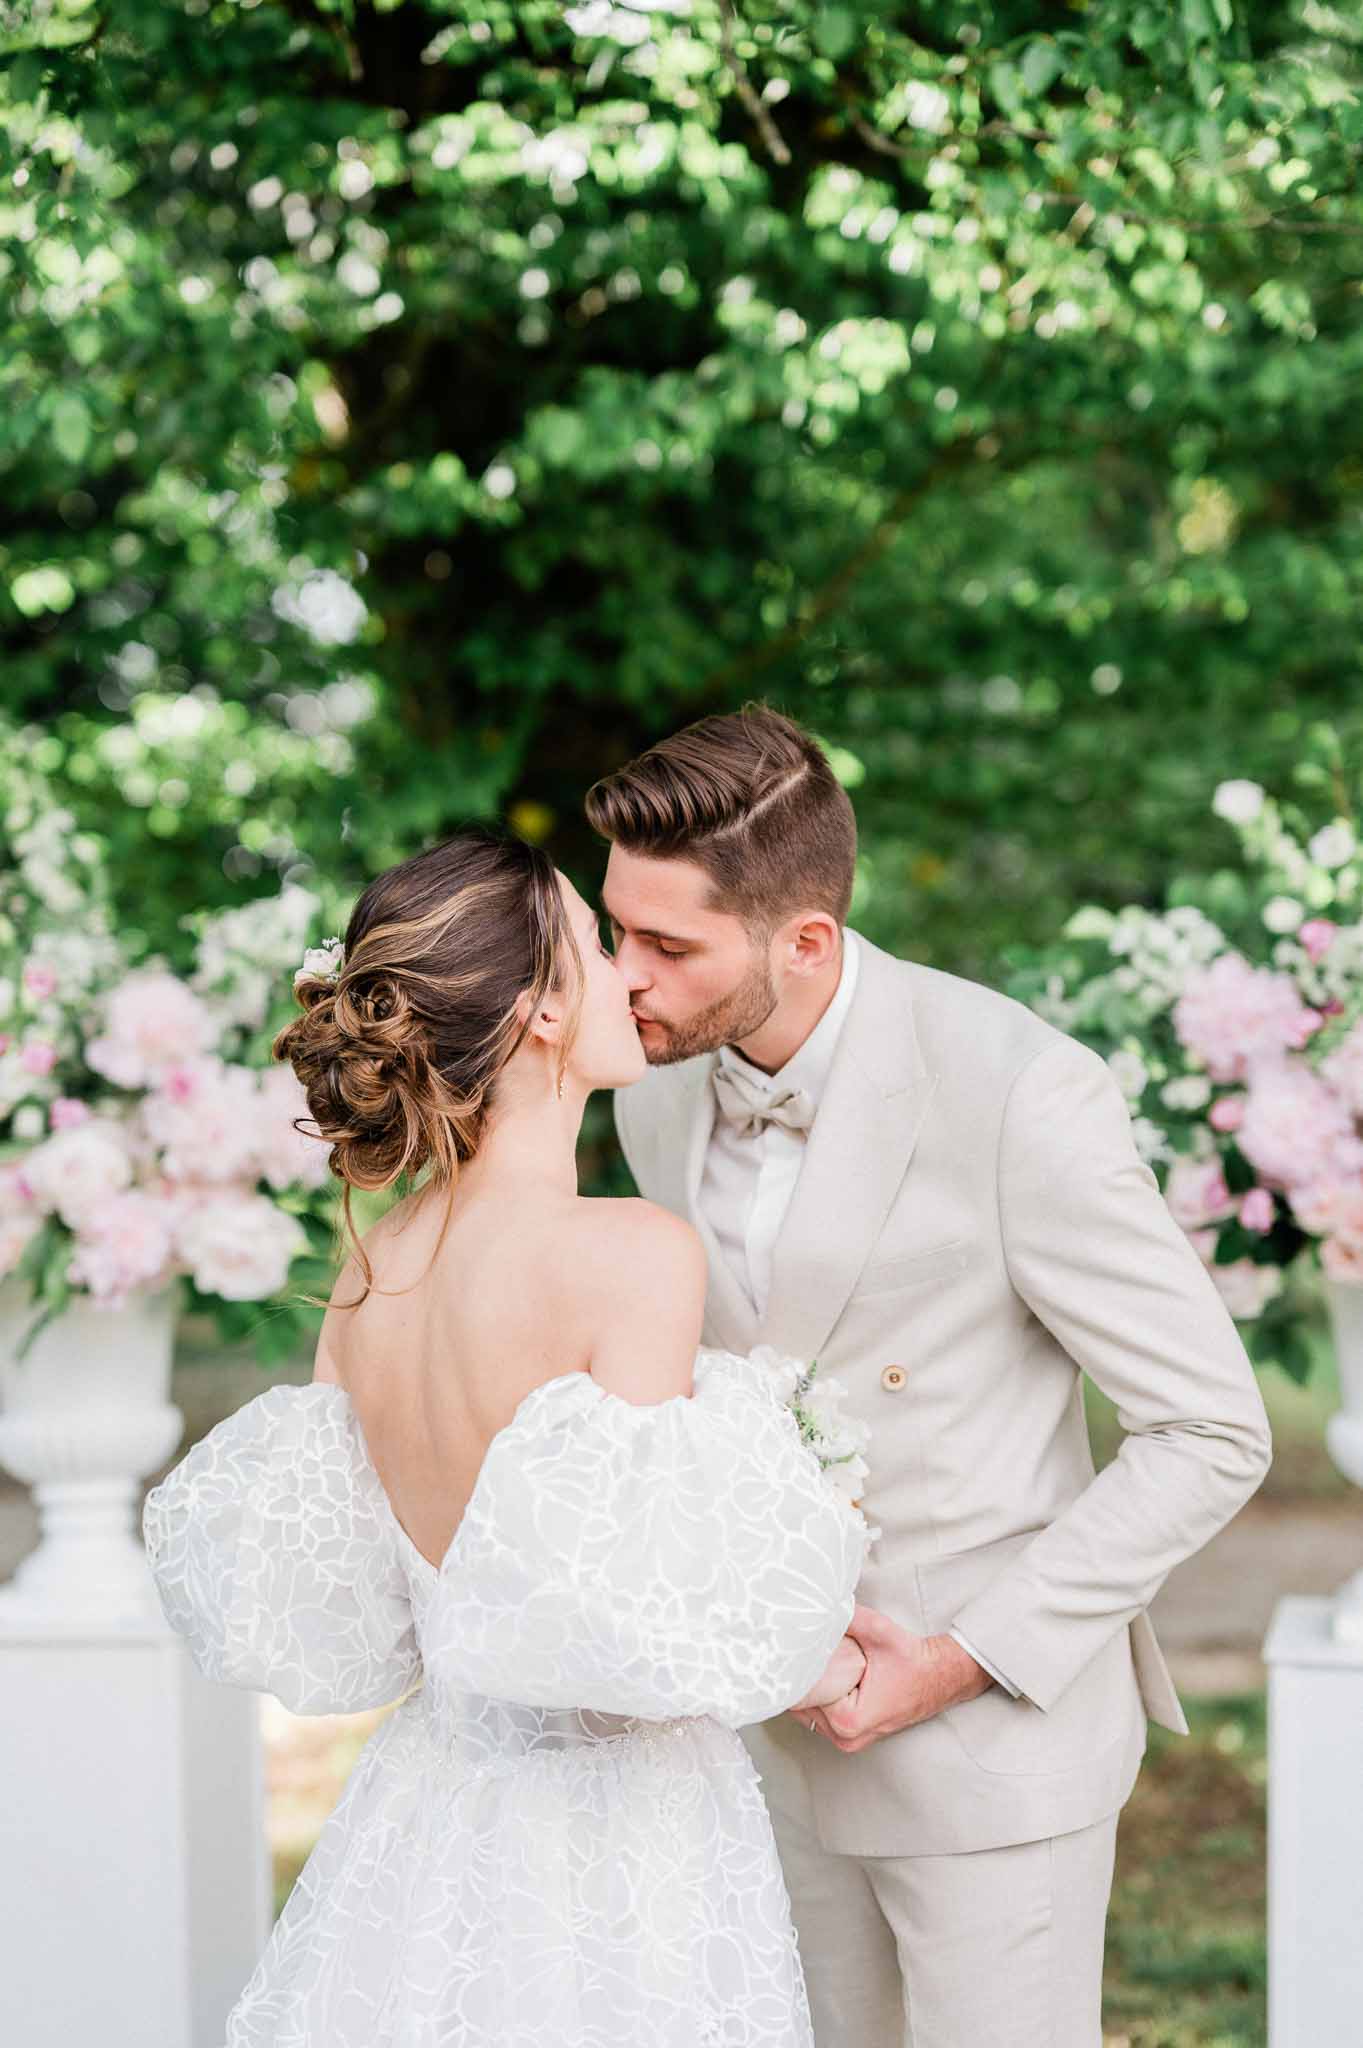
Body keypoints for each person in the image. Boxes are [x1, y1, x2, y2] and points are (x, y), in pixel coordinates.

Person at [591, 701, 1275, 2047]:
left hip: (988, 1758)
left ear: (804, 940)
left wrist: (961, 1660)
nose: (621, 978)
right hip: (764, 1741)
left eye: (664, 945)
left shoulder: (1017, 1090)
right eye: (614, 929)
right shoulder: (651, 1091)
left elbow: (1208, 1429)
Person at [141, 823, 874, 2047]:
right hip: (612, 1830)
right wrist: (814, 1644)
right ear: (537, 1010)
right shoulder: (630, 1254)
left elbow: (381, 1589)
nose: (628, 973)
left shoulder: (373, 1265)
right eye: (597, 941)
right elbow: (636, 1611)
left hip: (433, 1804)